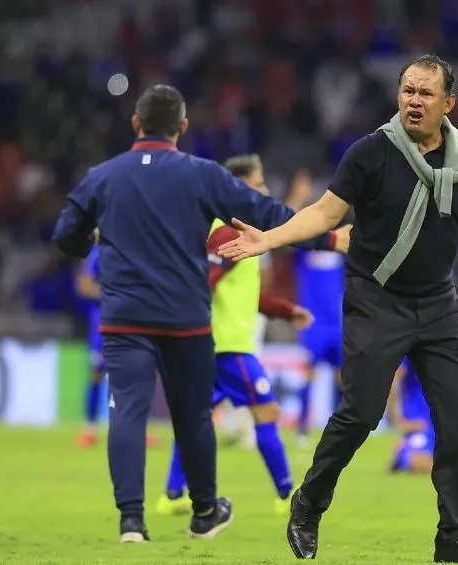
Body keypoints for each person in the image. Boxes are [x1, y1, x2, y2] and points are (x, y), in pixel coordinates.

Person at [218, 54, 458, 564]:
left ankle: (452, 539)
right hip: (375, 300)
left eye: (425, 93)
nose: (413, 101)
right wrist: (268, 239)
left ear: (448, 103)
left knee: (456, 419)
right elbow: (325, 213)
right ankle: (309, 501)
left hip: (438, 304)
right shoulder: (371, 153)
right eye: (407, 91)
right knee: (360, 414)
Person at [51, 85, 349, 543]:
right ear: (182, 127)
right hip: (183, 318)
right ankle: (205, 510)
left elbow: (66, 236)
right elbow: (265, 213)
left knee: (127, 412)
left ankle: (131, 521)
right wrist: (327, 239)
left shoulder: (103, 176)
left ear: (136, 124)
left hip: (124, 316)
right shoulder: (201, 175)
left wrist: (92, 237)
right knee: (192, 416)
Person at [156, 154, 321, 517]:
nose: (264, 191)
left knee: (194, 418)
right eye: (259, 184)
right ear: (241, 188)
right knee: (266, 410)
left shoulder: (239, 234)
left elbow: (247, 292)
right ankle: (286, 495)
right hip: (227, 347)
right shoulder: (228, 233)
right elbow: (204, 282)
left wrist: (283, 310)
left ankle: (171, 494)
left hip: (212, 346)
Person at [74, 237, 158, 449]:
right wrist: (111, 295)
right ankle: (90, 428)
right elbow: (83, 285)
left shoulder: (137, 252)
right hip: (102, 325)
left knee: (137, 376)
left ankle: (140, 429)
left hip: (131, 324)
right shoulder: (99, 252)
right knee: (96, 374)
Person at [387, 353, 458, 474]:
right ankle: (403, 450)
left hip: (450, 422)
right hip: (422, 424)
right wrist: (397, 420)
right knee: (421, 463)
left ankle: (407, 450)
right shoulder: (412, 343)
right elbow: (394, 379)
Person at [293, 245, 345, 445]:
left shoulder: (340, 251)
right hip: (312, 324)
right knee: (309, 376)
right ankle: (302, 428)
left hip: (337, 324)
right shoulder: (303, 252)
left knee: (341, 377)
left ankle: (338, 429)